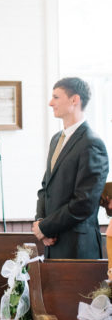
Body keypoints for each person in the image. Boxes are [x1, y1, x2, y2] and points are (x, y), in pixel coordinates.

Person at [33, 77, 109, 258]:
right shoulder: (56, 139)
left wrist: (45, 227)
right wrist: (40, 222)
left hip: (77, 247)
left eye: (56, 97)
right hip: (52, 242)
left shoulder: (92, 143)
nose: (51, 103)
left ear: (74, 100)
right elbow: (46, 187)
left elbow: (84, 202)